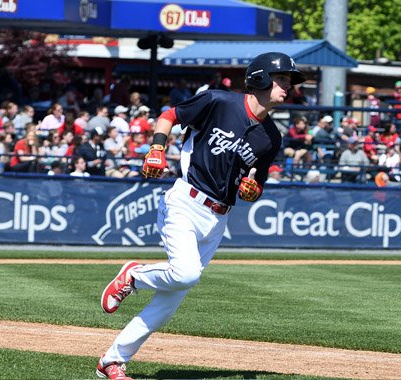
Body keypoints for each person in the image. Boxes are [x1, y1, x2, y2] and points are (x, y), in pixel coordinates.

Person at [96, 52, 306, 380]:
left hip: (219, 218)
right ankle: (134, 276)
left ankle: (112, 360)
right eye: (282, 79)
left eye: (289, 81)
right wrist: (156, 149)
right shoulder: (220, 102)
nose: (287, 86)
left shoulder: (271, 137)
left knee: (168, 304)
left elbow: (255, 182)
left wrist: (254, 189)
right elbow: (169, 115)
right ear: (261, 79)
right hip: (185, 201)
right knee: (186, 273)